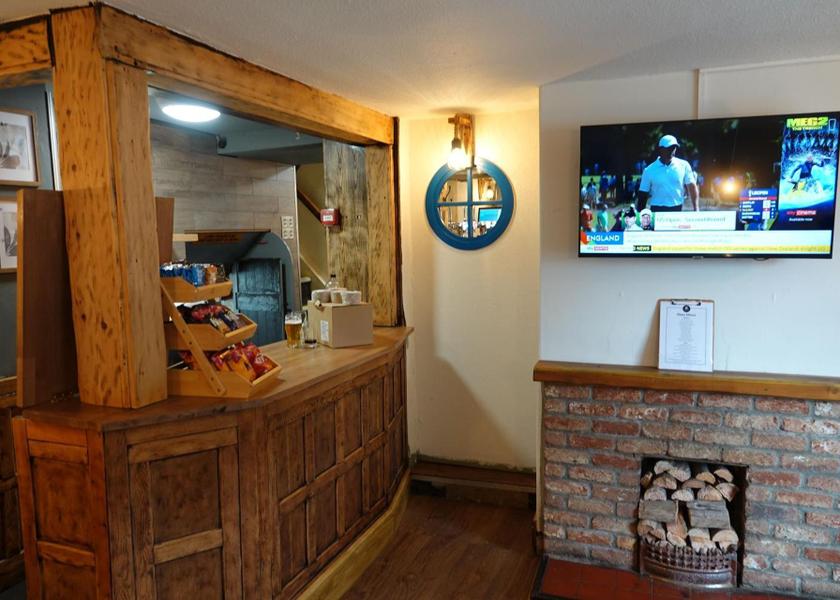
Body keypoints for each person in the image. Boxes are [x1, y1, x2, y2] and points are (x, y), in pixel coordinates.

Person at [637, 134, 699, 212]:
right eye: (669, 148)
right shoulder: (649, 170)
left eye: (674, 148)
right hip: (657, 211)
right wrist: (640, 214)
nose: (672, 150)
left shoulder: (684, 165)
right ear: (661, 149)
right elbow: (643, 195)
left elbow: (692, 186)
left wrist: (696, 208)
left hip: (678, 210)